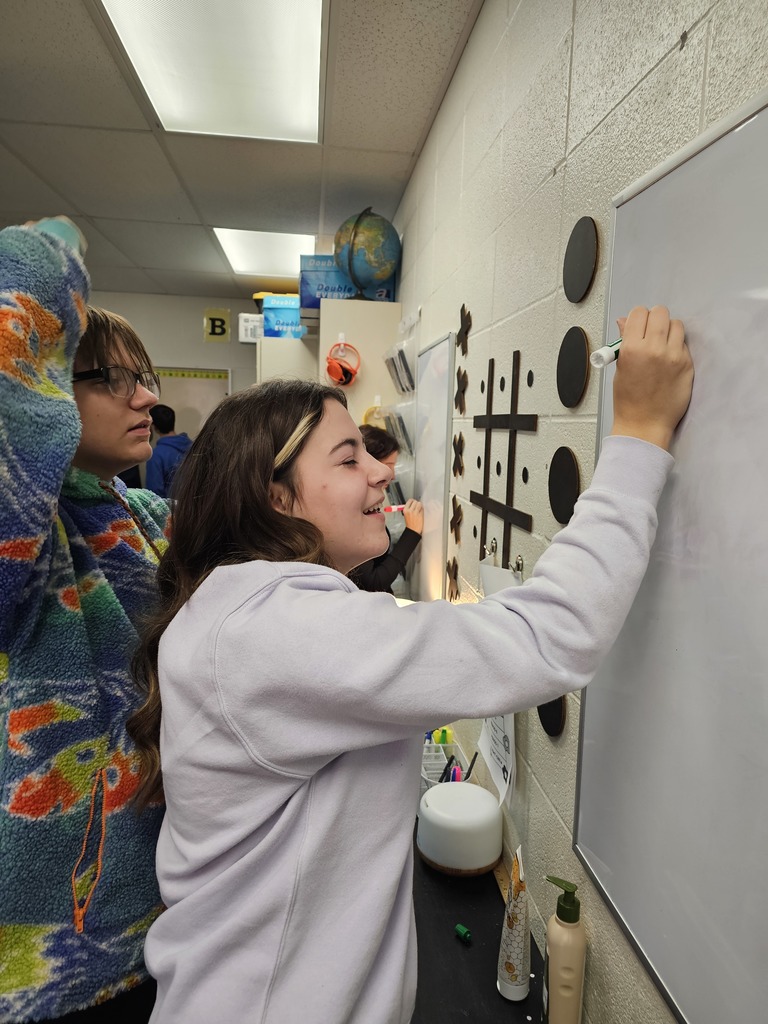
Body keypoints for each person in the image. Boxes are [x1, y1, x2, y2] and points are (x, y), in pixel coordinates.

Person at [130, 305, 693, 1023]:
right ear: (275, 498)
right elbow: (552, 634)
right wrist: (642, 434)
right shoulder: (274, 628)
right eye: (348, 458)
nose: (381, 473)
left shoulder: (249, 613)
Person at [0, 218, 170, 1022]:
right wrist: (53, 248)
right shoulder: (23, 543)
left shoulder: (142, 515)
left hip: (158, 924)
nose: (149, 398)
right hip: (55, 976)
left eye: (147, 376)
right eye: (113, 379)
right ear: (46, 390)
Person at [349, 424, 423, 593]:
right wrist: (412, 533)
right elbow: (373, 581)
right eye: (389, 465)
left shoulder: (366, 504)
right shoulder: (352, 510)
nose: (393, 475)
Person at [145, 404, 192, 498]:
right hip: (196, 506)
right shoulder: (194, 446)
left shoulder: (156, 455)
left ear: (153, 426)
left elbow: (154, 493)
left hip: (172, 509)